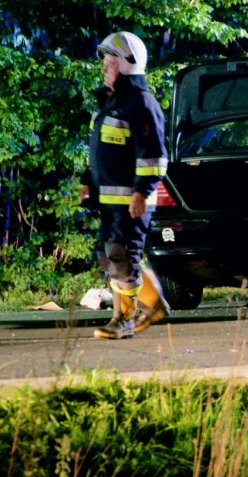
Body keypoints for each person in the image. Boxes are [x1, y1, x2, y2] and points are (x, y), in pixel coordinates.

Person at [81, 31, 171, 339]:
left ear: (126, 64)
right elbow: (101, 152)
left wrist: (141, 192)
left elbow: (155, 156)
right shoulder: (110, 103)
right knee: (113, 259)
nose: (105, 68)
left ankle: (124, 320)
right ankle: (153, 306)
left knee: (123, 258)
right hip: (109, 200)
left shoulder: (141, 104)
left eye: (109, 62)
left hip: (130, 200)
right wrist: (87, 183)